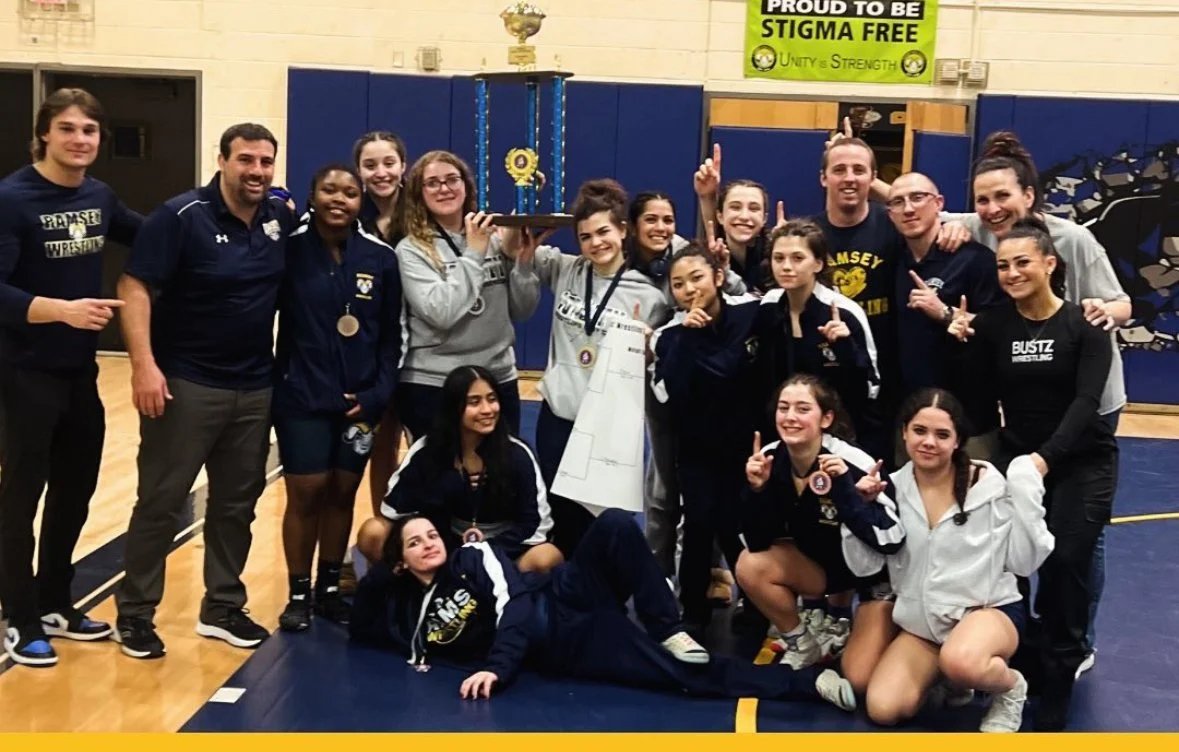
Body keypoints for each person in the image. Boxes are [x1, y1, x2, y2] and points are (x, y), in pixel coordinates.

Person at [349, 508, 856, 711]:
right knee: (683, 676)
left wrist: (496, 668)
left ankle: (667, 625)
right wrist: (385, 557)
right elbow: (360, 624)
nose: (429, 544)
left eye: (432, 534)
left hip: (560, 598)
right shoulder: (403, 615)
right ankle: (807, 684)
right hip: (569, 644)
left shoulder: (472, 556)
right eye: (415, 544)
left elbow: (516, 608)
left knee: (614, 524)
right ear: (400, 564)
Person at [113, 123, 294, 659]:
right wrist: (143, 366)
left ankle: (221, 606)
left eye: (265, 161)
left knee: (238, 505)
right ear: (221, 161)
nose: (256, 171)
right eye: (246, 160)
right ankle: (135, 614)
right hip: (186, 384)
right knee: (162, 503)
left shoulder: (279, 220)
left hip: (255, 386)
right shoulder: (179, 217)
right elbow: (134, 285)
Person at [948, 218, 1118, 730]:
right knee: (1010, 568)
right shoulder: (996, 325)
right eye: (1003, 264)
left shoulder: (1085, 325)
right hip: (1018, 460)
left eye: (1023, 261)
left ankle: (1062, 674)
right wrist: (959, 342)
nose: (1012, 272)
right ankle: (1025, 665)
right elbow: (975, 396)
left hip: (1080, 462)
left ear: (1050, 264)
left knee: (1065, 561)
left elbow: (1088, 403)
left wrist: (1044, 460)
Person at [0, 88, 142, 667]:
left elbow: (157, 234)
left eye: (89, 130)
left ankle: (57, 599)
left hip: (78, 371)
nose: (79, 140)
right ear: (44, 135)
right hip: (24, 370)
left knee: (76, 492)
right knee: (20, 496)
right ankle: (20, 613)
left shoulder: (99, 195)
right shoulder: (12, 198)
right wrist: (57, 308)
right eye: (67, 129)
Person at [838, 388, 1055, 732]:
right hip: (924, 627)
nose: (929, 442)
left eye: (942, 434)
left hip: (988, 611)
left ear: (957, 441)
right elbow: (863, 568)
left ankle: (1011, 687)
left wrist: (1028, 491)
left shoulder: (988, 485)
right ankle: (947, 676)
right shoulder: (889, 490)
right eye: (920, 431)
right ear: (904, 432)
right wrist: (856, 511)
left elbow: (1024, 563)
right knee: (883, 708)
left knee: (963, 662)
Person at [504, 179, 669, 557]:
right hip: (558, 417)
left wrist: (651, 348)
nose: (596, 243)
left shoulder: (650, 294)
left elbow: (664, 352)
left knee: (607, 518)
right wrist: (528, 242)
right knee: (559, 512)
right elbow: (515, 250)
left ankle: (604, 591)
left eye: (603, 232)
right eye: (585, 236)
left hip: (610, 426)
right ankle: (566, 590)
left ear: (623, 230)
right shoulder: (566, 269)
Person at [273, 164, 403, 632]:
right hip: (301, 396)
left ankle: (329, 590)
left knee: (342, 490)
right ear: (313, 194)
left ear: (359, 201)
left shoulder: (381, 258)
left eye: (350, 192)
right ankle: (297, 592)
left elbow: (391, 337)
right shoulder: (287, 252)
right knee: (306, 492)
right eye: (329, 189)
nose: (339, 199)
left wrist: (377, 393)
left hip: (360, 401)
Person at [737, 374, 900, 686]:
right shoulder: (771, 457)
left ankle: (883, 631)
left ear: (826, 418)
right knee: (750, 564)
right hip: (825, 570)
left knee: (860, 679)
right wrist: (757, 491)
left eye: (802, 409)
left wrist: (850, 496)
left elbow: (892, 540)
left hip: (873, 580)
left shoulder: (853, 463)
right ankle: (804, 643)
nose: (790, 417)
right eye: (783, 408)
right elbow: (755, 541)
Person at [626, 192, 737, 602]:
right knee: (663, 489)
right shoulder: (622, 267)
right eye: (650, 219)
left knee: (706, 491)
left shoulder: (689, 260)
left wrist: (708, 205)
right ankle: (657, 575)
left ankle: (711, 571)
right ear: (632, 227)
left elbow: (728, 288)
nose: (660, 227)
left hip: (705, 398)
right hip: (661, 389)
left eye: (668, 219)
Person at [355, 365, 562, 575]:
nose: (487, 409)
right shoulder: (426, 450)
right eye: (474, 402)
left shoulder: (517, 454)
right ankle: (413, 593)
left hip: (501, 552)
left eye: (492, 399)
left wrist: (484, 554)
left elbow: (536, 525)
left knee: (547, 557)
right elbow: (394, 512)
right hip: (441, 548)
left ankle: (505, 596)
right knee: (373, 533)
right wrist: (442, 496)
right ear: (454, 407)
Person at [650, 244, 759, 629]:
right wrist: (688, 337)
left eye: (696, 277)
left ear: (717, 277)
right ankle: (692, 607)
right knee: (698, 525)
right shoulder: (668, 336)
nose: (689, 289)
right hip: (696, 449)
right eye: (678, 284)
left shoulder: (751, 314)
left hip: (749, 449)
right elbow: (671, 392)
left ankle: (757, 603)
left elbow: (737, 370)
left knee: (741, 528)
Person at [394, 150, 536, 440]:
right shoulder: (410, 250)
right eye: (432, 183)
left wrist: (522, 262)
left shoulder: (494, 237)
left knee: (499, 476)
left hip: (497, 378)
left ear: (466, 186)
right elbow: (441, 313)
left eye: (452, 180)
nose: (444, 188)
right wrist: (474, 252)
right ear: (418, 193)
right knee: (441, 480)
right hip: (435, 382)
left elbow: (523, 310)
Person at [756, 220, 884, 463]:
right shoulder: (769, 307)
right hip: (788, 436)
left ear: (818, 263)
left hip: (842, 440)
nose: (786, 267)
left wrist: (845, 348)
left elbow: (870, 388)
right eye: (778, 258)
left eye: (797, 258)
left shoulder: (844, 312)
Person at [887, 172, 1003, 405]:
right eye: (898, 202)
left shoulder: (975, 260)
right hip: (909, 410)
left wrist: (944, 313)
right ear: (890, 214)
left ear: (938, 203)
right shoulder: (892, 260)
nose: (908, 209)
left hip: (968, 413)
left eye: (917, 197)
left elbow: (1002, 330)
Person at [353, 131, 410, 521]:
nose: (381, 172)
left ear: (403, 166)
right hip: (376, 350)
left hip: (426, 346)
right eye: (370, 165)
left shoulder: (424, 211)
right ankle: (385, 532)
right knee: (381, 446)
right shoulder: (350, 217)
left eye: (388, 163)